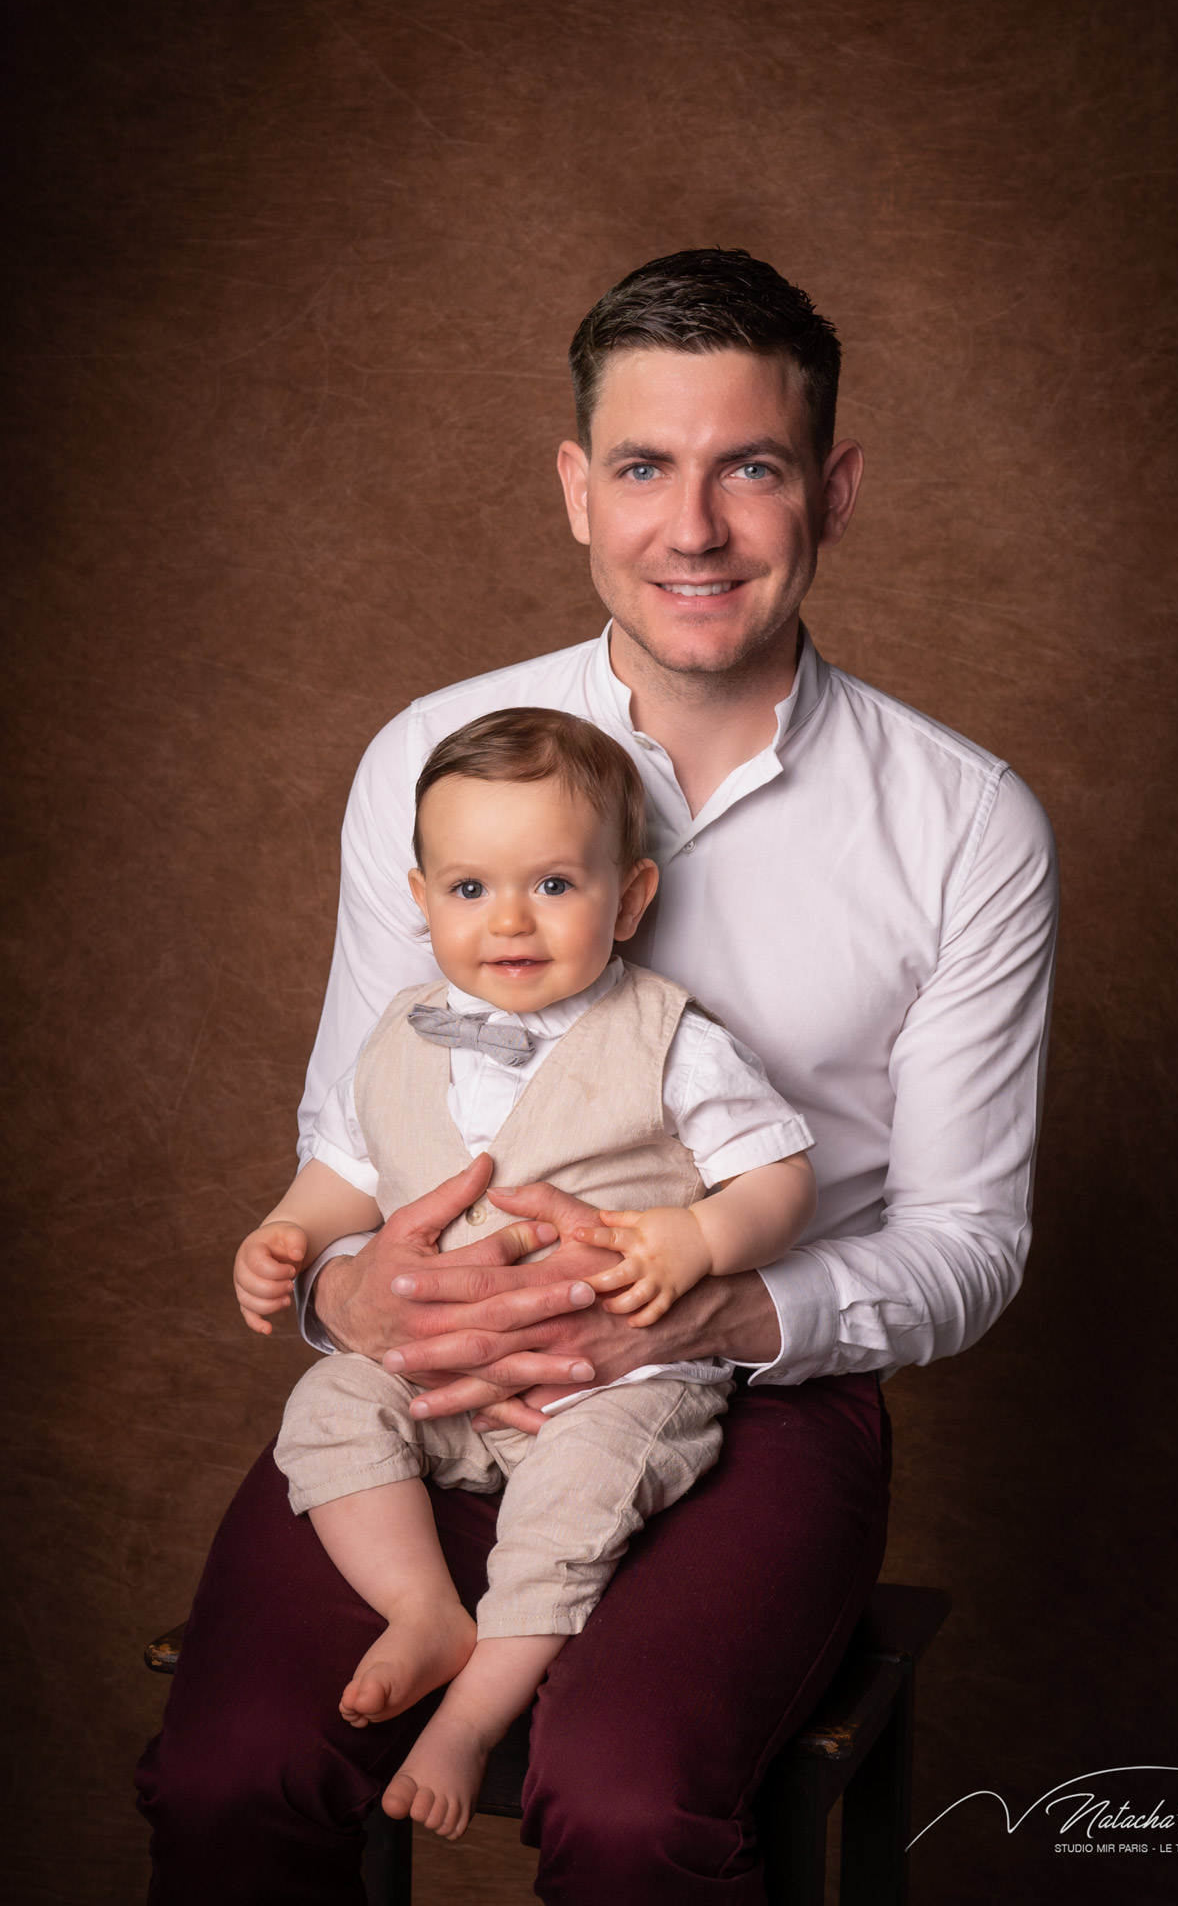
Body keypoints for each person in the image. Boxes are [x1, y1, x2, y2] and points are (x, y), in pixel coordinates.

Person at [137, 248, 1057, 1905]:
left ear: (832, 490)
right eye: (644, 465)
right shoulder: (438, 756)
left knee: (630, 1807)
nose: (691, 529)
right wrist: (351, 1294)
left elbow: (969, 1244)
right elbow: (365, 1116)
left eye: (750, 469)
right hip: (438, 1364)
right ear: (577, 486)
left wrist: (698, 1309)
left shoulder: (962, 821)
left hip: (749, 1397)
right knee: (230, 1776)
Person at [232, 705, 817, 1839]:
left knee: (575, 1503)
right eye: (468, 890)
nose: (508, 920)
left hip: (610, 1383)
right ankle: (422, 1612)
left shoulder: (673, 1037)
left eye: (552, 885)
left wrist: (694, 1240)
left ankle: (473, 1714)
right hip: (434, 1379)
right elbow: (346, 1174)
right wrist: (288, 1236)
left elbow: (781, 1180)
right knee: (326, 1407)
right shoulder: (400, 1030)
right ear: (419, 902)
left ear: (630, 897)